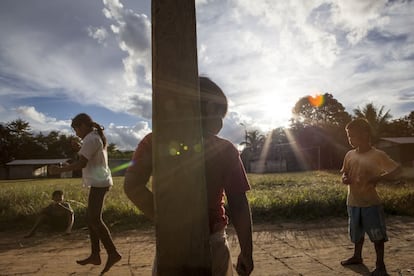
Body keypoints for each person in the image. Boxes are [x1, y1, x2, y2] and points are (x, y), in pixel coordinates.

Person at [124, 76, 254, 275]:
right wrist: (247, 251)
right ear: (210, 107)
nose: (221, 123)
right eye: (221, 115)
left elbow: (132, 186)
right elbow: (238, 204)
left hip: (171, 242)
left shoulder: (152, 141)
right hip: (214, 242)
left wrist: (166, 220)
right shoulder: (225, 149)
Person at [49, 113, 121, 275]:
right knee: (92, 219)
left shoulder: (90, 139)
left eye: (76, 129)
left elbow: (82, 163)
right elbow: (86, 157)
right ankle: (96, 255)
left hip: (99, 184)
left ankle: (112, 253)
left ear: (82, 126)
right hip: (100, 182)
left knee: (94, 219)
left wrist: (59, 170)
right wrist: (78, 148)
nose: (76, 133)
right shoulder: (94, 137)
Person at [340, 118, 401, 276]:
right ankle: (357, 256)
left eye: (353, 135)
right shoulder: (349, 154)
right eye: (348, 136)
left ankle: (380, 265)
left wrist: (378, 178)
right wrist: (345, 179)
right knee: (356, 232)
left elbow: (396, 169)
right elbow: (344, 172)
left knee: (377, 235)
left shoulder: (377, 155)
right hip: (353, 202)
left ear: (365, 134)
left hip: (371, 203)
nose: (350, 139)